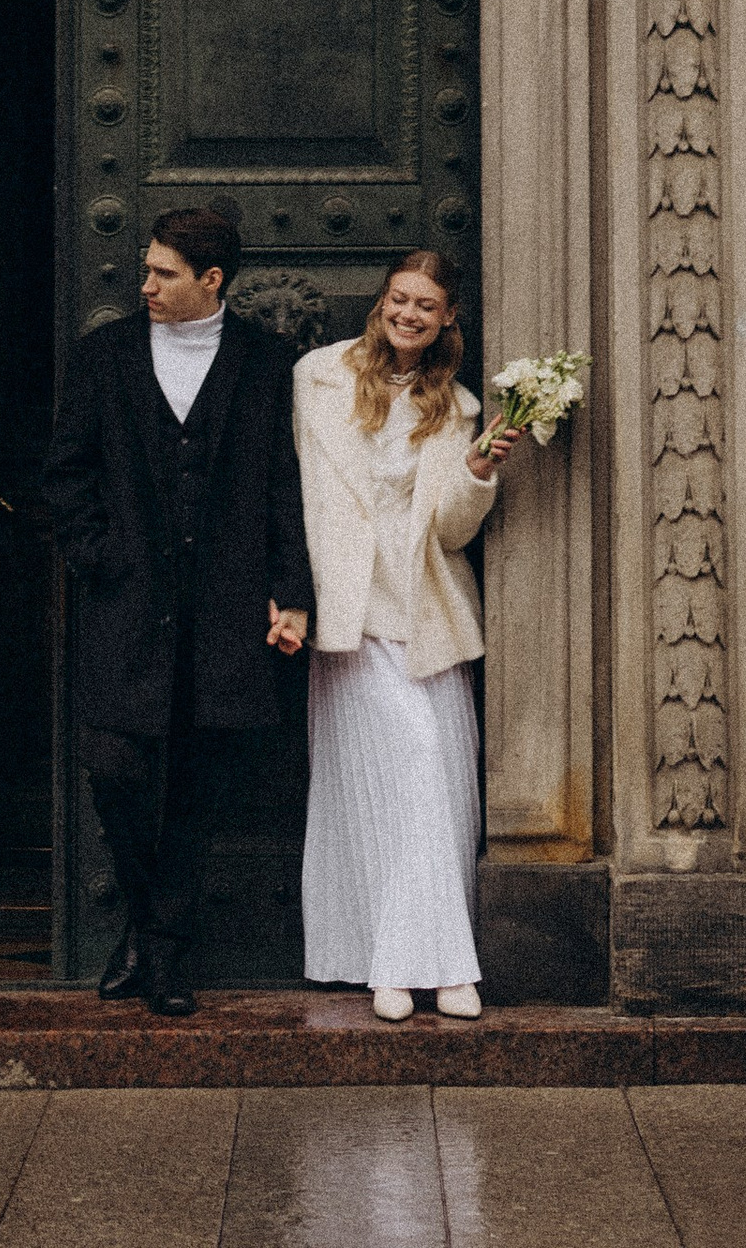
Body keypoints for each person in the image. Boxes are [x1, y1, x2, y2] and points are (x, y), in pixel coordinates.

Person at [40, 202, 315, 1017]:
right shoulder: (105, 355)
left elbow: (285, 488)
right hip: (125, 607)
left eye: (163, 272)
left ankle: (161, 953)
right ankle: (152, 920)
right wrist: (101, 555)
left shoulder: (267, 363)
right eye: (145, 268)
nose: (146, 284)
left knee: (197, 783)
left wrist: (291, 591)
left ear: (212, 281)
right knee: (114, 767)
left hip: (227, 611)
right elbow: (65, 475)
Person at [294, 248, 517, 1021]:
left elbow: (453, 533)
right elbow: (284, 495)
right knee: (394, 784)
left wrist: (481, 469)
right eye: (398, 299)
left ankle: (433, 966)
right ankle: (393, 963)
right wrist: (288, 597)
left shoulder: (454, 406)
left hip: (424, 616)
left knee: (441, 790)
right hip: (349, 614)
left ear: (448, 317)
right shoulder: (316, 376)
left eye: (425, 305)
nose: (408, 314)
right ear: (382, 302)